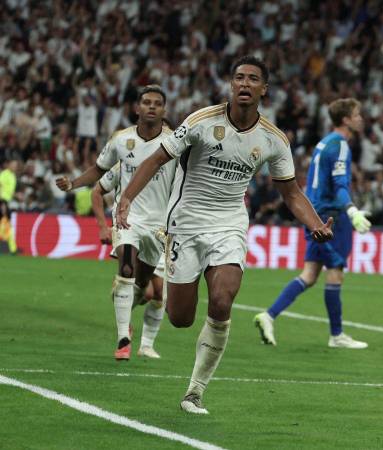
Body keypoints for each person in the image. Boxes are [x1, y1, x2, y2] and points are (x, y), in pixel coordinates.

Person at [115, 55, 333, 415]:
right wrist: (125, 199)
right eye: (239, 78)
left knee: (222, 300)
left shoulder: (273, 140)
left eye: (252, 79)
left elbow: (291, 192)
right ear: (231, 85)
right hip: (185, 223)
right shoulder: (200, 122)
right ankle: (150, 292)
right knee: (180, 318)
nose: (244, 84)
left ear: (265, 89)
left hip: (229, 224)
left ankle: (195, 392)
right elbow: (155, 159)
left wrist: (315, 225)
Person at [56, 85, 176, 361]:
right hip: (127, 217)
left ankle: (129, 317)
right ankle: (124, 337)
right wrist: (73, 183)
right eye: (146, 102)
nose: (151, 107)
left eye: (157, 103)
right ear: (137, 108)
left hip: (160, 226)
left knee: (146, 287)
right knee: (126, 268)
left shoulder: (174, 143)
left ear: (164, 110)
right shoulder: (121, 140)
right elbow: (98, 173)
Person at [254, 98, 371, 349]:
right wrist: (351, 210)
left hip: (313, 212)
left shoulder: (323, 143)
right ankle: (337, 335)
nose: (361, 118)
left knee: (309, 275)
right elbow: (340, 185)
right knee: (335, 273)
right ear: (346, 119)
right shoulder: (340, 146)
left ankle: (269, 315)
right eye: (357, 114)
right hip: (330, 217)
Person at [90, 164, 167, 358]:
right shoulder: (126, 158)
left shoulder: (171, 157)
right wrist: (102, 225)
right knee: (133, 277)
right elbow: (97, 190)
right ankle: (124, 330)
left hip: (158, 229)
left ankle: (146, 345)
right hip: (132, 224)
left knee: (156, 293)